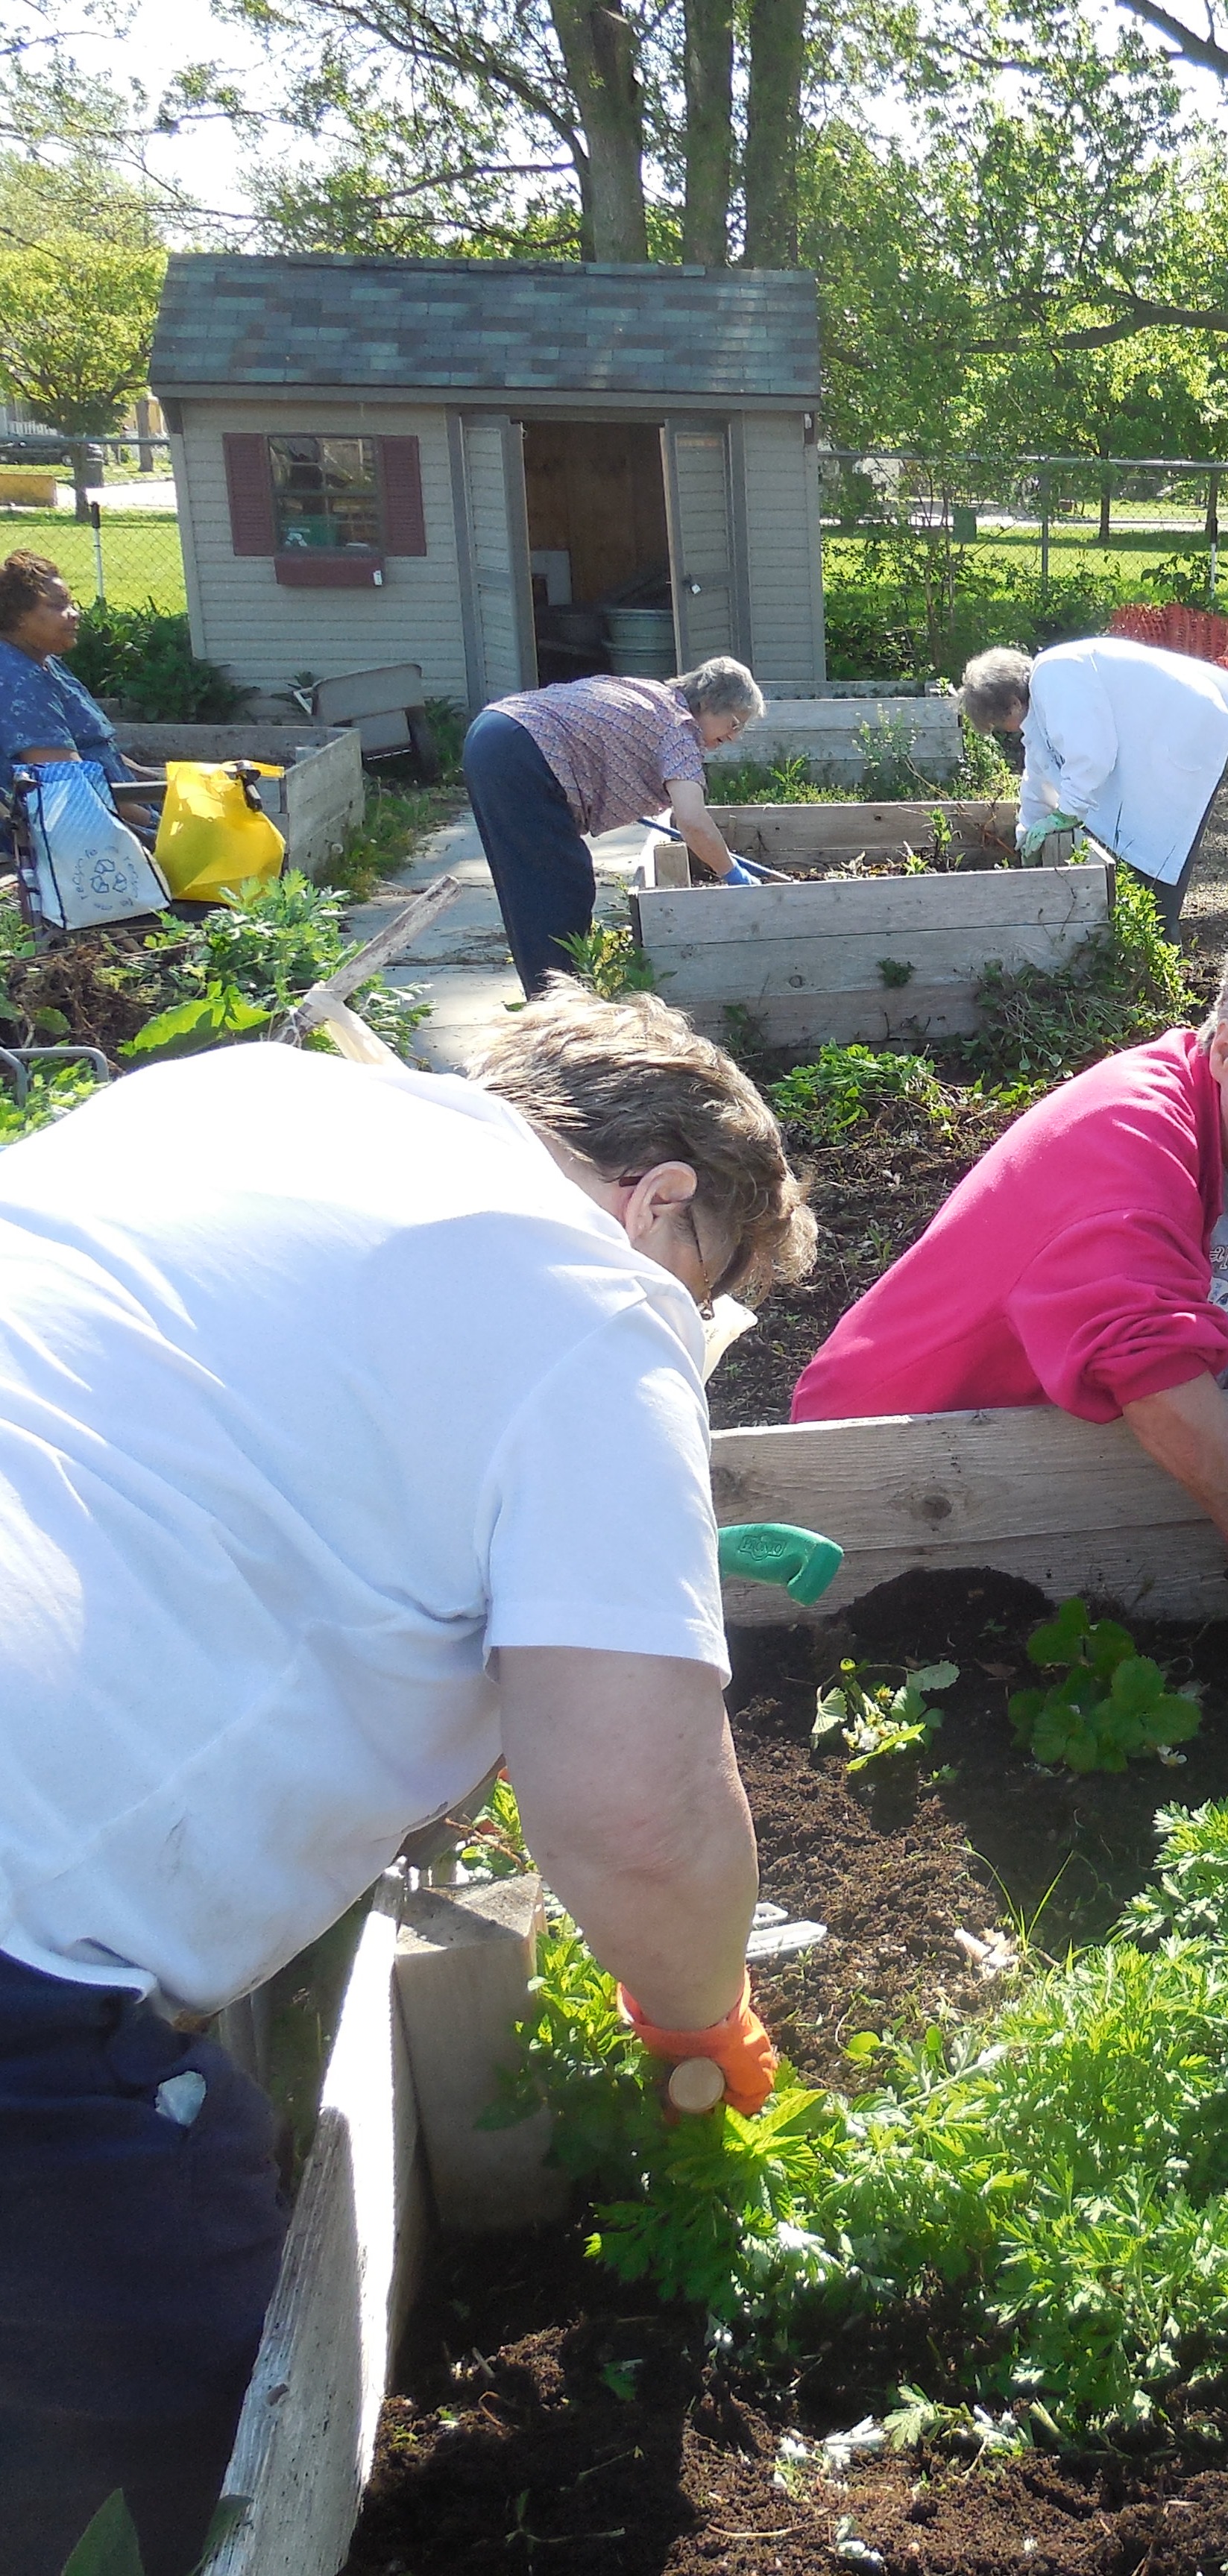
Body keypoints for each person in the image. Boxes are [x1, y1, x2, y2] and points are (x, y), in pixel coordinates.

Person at [0, 988, 816, 2574]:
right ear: (659, 1203)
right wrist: (698, 2018)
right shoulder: (590, 1295)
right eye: (705, 1299)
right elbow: (639, 1820)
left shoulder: (227, 1100)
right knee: (186, 2432)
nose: (685, 1339)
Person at [793, 920, 1228, 1601]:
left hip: (1062, 1466)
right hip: (879, 1467)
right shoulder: (1126, 1136)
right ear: (1226, 1053)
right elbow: (1153, 1367)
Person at [463, 657, 766, 994]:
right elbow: (693, 822)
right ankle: (558, 1008)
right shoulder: (680, 729)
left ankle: (551, 998)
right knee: (559, 890)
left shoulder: (653, 697)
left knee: (531, 886)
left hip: (496, 733)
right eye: (734, 723)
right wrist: (731, 873)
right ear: (708, 703)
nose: (735, 737)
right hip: (518, 750)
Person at [957, 636, 1228, 926]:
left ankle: (1159, 939)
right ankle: (1150, 929)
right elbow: (1039, 772)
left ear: (1013, 703)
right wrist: (1027, 834)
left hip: (1185, 729)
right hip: (1160, 736)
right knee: (1140, 837)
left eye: (999, 724)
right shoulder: (1042, 699)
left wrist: (1067, 813)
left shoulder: (1055, 676)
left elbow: (1092, 756)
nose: (1007, 732)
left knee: (1160, 841)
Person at [0, 549, 163, 833]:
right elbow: (71, 783)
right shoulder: (16, 680)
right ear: (18, 616)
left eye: (72, 603)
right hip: (87, 831)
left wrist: (182, 781)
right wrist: (159, 826)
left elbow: (101, 752)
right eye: (58, 605)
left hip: (120, 808)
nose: (74, 614)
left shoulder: (47, 663)